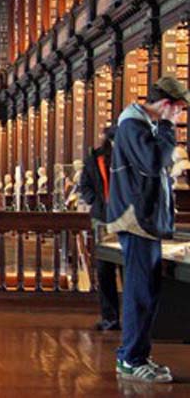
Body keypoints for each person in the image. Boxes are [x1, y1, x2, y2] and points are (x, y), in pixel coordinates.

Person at [106, 77, 189, 384]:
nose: (180, 118)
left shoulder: (140, 125)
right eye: (179, 111)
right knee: (141, 291)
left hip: (144, 218)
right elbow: (155, 162)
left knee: (148, 290)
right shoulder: (134, 125)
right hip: (136, 219)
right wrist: (168, 128)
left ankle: (137, 354)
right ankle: (130, 358)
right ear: (167, 105)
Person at [78, 126, 120, 332]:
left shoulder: (130, 158)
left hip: (127, 219)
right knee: (104, 270)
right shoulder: (95, 160)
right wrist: (96, 203)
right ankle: (109, 317)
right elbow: (84, 185)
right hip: (102, 220)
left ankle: (129, 318)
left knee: (128, 270)